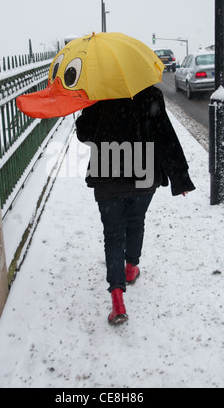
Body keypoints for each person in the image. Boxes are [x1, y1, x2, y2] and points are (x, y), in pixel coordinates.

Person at [75, 85, 195, 325]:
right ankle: (131, 267)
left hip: (108, 176)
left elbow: (85, 134)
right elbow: (165, 135)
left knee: (113, 235)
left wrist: (85, 112)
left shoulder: (101, 93)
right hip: (144, 176)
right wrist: (179, 176)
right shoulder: (150, 94)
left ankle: (117, 300)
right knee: (136, 221)